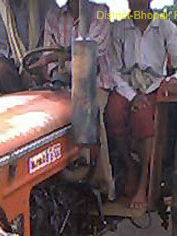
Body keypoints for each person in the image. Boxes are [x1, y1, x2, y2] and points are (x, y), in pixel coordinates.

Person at [107, 0, 177, 208]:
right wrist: (131, 95)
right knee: (112, 114)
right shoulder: (120, 28)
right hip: (127, 85)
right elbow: (113, 70)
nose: (133, 2)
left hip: (153, 84)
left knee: (143, 117)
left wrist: (175, 79)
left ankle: (144, 182)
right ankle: (130, 166)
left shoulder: (165, 27)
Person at [34, 0, 115, 199]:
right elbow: (48, 53)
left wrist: (55, 57)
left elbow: (95, 50)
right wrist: (53, 64)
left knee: (90, 111)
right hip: (63, 84)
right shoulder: (53, 16)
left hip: (95, 82)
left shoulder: (100, 12)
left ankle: (101, 185)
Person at [0, 0, 54, 94]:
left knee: (35, 77)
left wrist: (44, 64)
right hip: (5, 59)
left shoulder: (44, 3)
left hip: (36, 58)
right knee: (1, 71)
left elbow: (52, 33)